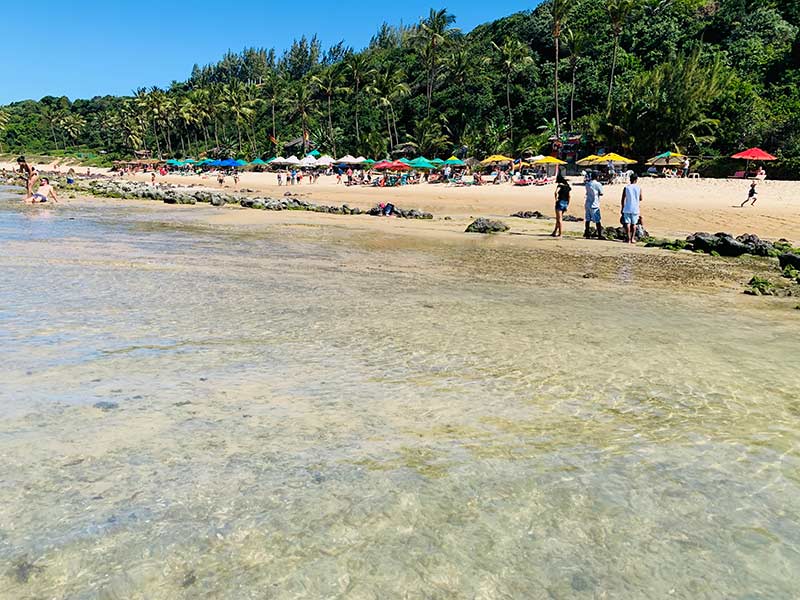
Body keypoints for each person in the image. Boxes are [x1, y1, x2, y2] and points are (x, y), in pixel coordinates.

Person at [620, 173, 642, 244]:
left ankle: (628, 238)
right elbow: (641, 198)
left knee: (627, 223)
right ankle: (632, 238)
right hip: (635, 208)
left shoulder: (626, 187)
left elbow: (623, 199)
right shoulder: (639, 188)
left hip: (627, 207)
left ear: (630, 179)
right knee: (634, 223)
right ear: (636, 180)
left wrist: (622, 207)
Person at [584, 171, 605, 239]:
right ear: (597, 177)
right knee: (597, 220)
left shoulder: (587, 184)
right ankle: (599, 235)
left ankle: (587, 233)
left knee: (587, 219)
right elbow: (601, 193)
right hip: (594, 203)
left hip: (588, 203)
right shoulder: (598, 184)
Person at [551, 173, 571, 238]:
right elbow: (569, 196)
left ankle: (560, 234)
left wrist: (556, 199)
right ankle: (554, 232)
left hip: (560, 202)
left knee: (559, 219)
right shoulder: (568, 186)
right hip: (565, 202)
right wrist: (568, 204)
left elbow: (555, 192)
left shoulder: (560, 185)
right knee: (559, 218)